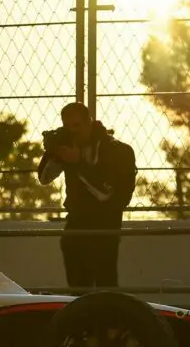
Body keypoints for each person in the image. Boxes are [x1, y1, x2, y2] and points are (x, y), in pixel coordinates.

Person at [37, 102, 137, 288]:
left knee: (105, 283)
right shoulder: (69, 145)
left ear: (89, 122)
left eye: (77, 126)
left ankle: (108, 314)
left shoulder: (116, 150)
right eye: (67, 127)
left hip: (105, 223)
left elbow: (106, 194)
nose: (73, 131)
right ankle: (82, 314)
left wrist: (78, 162)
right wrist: (53, 150)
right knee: (78, 286)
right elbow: (44, 177)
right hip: (76, 222)